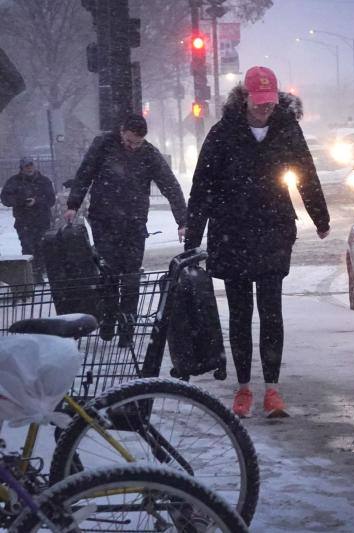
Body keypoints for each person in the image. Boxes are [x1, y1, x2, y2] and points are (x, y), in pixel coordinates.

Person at [184, 66, 330, 419]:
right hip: (230, 232)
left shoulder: (287, 130)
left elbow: (306, 174)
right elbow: (202, 187)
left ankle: (273, 390)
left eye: (269, 102)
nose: (264, 108)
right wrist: (192, 236)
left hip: (272, 229)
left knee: (271, 312)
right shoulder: (223, 133)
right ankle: (244, 388)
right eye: (258, 102)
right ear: (245, 97)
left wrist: (320, 218)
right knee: (239, 314)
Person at [65, 114, 187, 346]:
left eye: (137, 143)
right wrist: (73, 205)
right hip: (104, 220)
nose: (133, 147)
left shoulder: (149, 154)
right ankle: (109, 319)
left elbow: (169, 185)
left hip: (134, 223)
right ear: (122, 132)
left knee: (131, 278)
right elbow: (85, 174)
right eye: (130, 141)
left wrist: (182, 220)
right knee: (109, 273)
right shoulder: (103, 145)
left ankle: (126, 331)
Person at [1, 157, 55, 283]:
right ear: (22, 168)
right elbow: (5, 199)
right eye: (26, 166)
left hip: (42, 221)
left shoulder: (44, 181)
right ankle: (32, 275)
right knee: (27, 248)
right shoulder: (14, 181)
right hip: (23, 221)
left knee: (41, 248)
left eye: (31, 165)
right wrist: (21, 201)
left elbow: (51, 199)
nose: (29, 168)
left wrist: (37, 201)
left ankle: (39, 273)